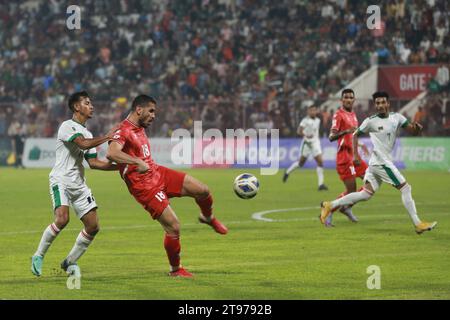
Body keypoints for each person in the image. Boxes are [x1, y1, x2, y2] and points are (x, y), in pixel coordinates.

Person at [106, 95, 228, 278]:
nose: (154, 115)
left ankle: (207, 217)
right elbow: (112, 152)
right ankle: (175, 270)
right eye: (151, 111)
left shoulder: (138, 127)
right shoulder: (123, 130)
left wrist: (134, 163)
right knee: (173, 226)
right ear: (139, 109)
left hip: (157, 172)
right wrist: (136, 162)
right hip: (144, 186)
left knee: (202, 190)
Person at [320, 91, 437, 234]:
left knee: (365, 194)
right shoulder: (370, 121)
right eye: (377, 103)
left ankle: (330, 204)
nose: (380, 105)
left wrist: (417, 129)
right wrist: (356, 155)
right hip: (381, 162)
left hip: (376, 162)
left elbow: (412, 131)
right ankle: (418, 224)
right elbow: (355, 134)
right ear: (375, 105)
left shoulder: (397, 118)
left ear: (388, 103)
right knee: (406, 188)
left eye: (383, 102)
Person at [31, 91, 117, 277]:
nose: (91, 106)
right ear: (77, 107)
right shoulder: (67, 126)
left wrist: (121, 167)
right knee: (62, 219)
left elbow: (93, 163)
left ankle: (69, 262)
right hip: (60, 180)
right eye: (87, 103)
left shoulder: (88, 133)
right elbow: (83, 144)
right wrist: (107, 137)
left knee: (93, 226)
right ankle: (38, 255)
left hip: (79, 184)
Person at [325, 89, 369, 226]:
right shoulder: (339, 115)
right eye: (346, 97)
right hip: (344, 157)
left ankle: (347, 208)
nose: (349, 99)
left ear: (354, 99)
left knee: (372, 182)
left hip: (355, 157)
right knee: (352, 191)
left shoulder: (353, 115)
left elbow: (352, 136)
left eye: (351, 97)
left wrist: (360, 145)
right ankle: (329, 210)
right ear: (341, 100)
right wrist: (345, 131)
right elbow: (331, 137)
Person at [283, 104, 328, 191]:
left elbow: (316, 131)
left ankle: (321, 184)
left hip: (315, 143)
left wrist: (316, 138)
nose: (313, 112)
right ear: (308, 111)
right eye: (311, 110)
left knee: (320, 162)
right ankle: (287, 172)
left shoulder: (318, 120)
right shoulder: (305, 121)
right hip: (306, 144)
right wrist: (306, 135)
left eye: (314, 110)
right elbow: (299, 131)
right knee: (301, 163)